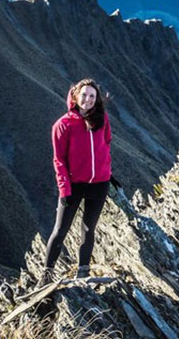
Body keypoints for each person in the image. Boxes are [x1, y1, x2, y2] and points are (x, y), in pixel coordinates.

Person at [41, 78, 121, 283]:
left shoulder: (102, 119)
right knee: (60, 230)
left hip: (99, 184)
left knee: (88, 228)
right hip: (73, 187)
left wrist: (107, 172)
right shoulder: (63, 125)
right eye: (84, 95)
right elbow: (59, 161)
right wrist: (64, 189)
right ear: (75, 96)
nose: (87, 99)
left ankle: (83, 272)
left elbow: (107, 144)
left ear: (97, 100)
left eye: (92, 96)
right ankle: (46, 275)